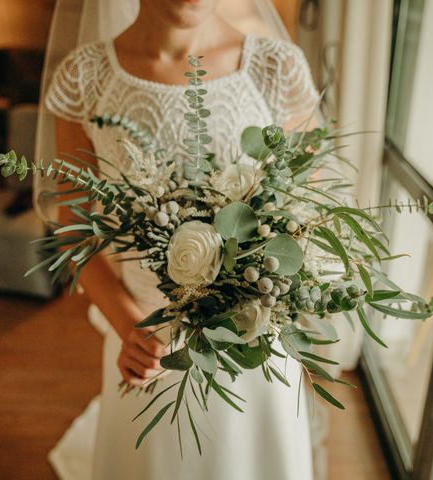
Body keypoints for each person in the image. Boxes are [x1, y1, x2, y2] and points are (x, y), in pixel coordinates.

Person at [42, 1, 320, 478]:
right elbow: (75, 228)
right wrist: (129, 327)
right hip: (146, 339)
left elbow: (306, 208)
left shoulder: (277, 68)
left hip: (253, 340)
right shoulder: (84, 79)